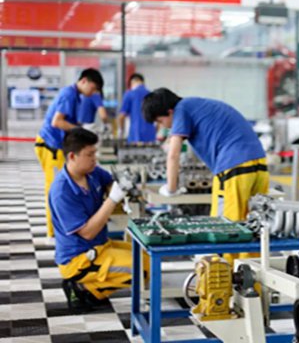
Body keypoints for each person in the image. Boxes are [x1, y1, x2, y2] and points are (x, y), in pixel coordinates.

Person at [49, 128, 147, 311]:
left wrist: (120, 188)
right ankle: (83, 288)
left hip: (101, 245)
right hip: (79, 258)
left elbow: (110, 182)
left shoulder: (92, 172)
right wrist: (112, 199)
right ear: (72, 156)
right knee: (142, 269)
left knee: (147, 255)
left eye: (95, 153)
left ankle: (91, 290)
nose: (95, 159)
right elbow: (87, 233)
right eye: (89, 154)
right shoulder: (62, 192)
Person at [141, 88, 268, 222]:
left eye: (160, 121)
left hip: (234, 167)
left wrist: (170, 189)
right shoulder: (196, 105)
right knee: (256, 223)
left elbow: (173, 155)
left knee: (225, 227)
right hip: (258, 163)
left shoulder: (181, 110)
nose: (163, 126)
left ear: (170, 111)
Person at [35, 68, 104, 238]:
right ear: (84, 81)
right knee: (55, 188)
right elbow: (57, 122)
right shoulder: (69, 94)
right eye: (93, 88)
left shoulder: (75, 96)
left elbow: (67, 121)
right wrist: (82, 130)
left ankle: (61, 230)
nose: (93, 93)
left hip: (55, 145)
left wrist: (80, 126)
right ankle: (53, 234)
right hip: (50, 147)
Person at [118, 73, 156, 143]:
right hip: (151, 136)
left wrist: (121, 131)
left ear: (132, 83)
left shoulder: (129, 94)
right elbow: (158, 119)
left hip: (135, 135)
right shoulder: (152, 95)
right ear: (143, 82)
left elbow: (121, 116)